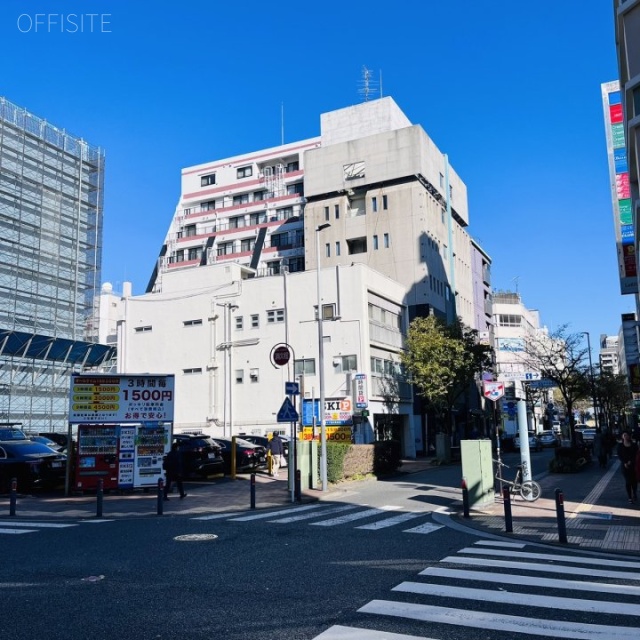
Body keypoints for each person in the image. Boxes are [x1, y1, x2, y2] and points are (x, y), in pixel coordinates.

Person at [617, 431, 638, 503]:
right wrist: (625, 462)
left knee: (634, 482)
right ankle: (629, 497)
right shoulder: (620, 446)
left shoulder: (634, 445)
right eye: (624, 435)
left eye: (627, 435)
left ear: (629, 436)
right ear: (622, 437)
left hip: (634, 466)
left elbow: (636, 454)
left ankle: (634, 493)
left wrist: (631, 461)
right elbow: (619, 455)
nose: (625, 437)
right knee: (628, 481)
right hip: (625, 466)